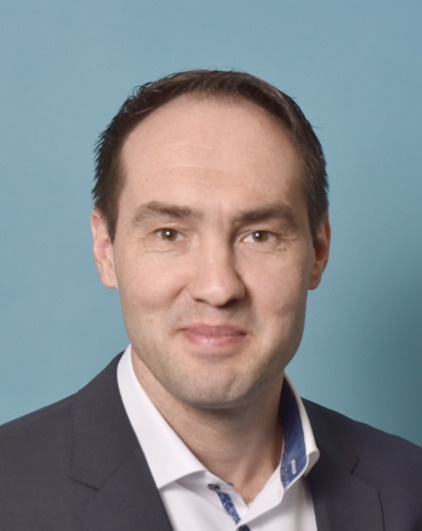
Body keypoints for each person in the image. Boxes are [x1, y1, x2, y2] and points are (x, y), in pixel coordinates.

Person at [0, 69, 421, 531]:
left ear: (318, 251)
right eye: (169, 233)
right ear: (106, 250)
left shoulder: (410, 488)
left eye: (259, 235)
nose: (218, 288)